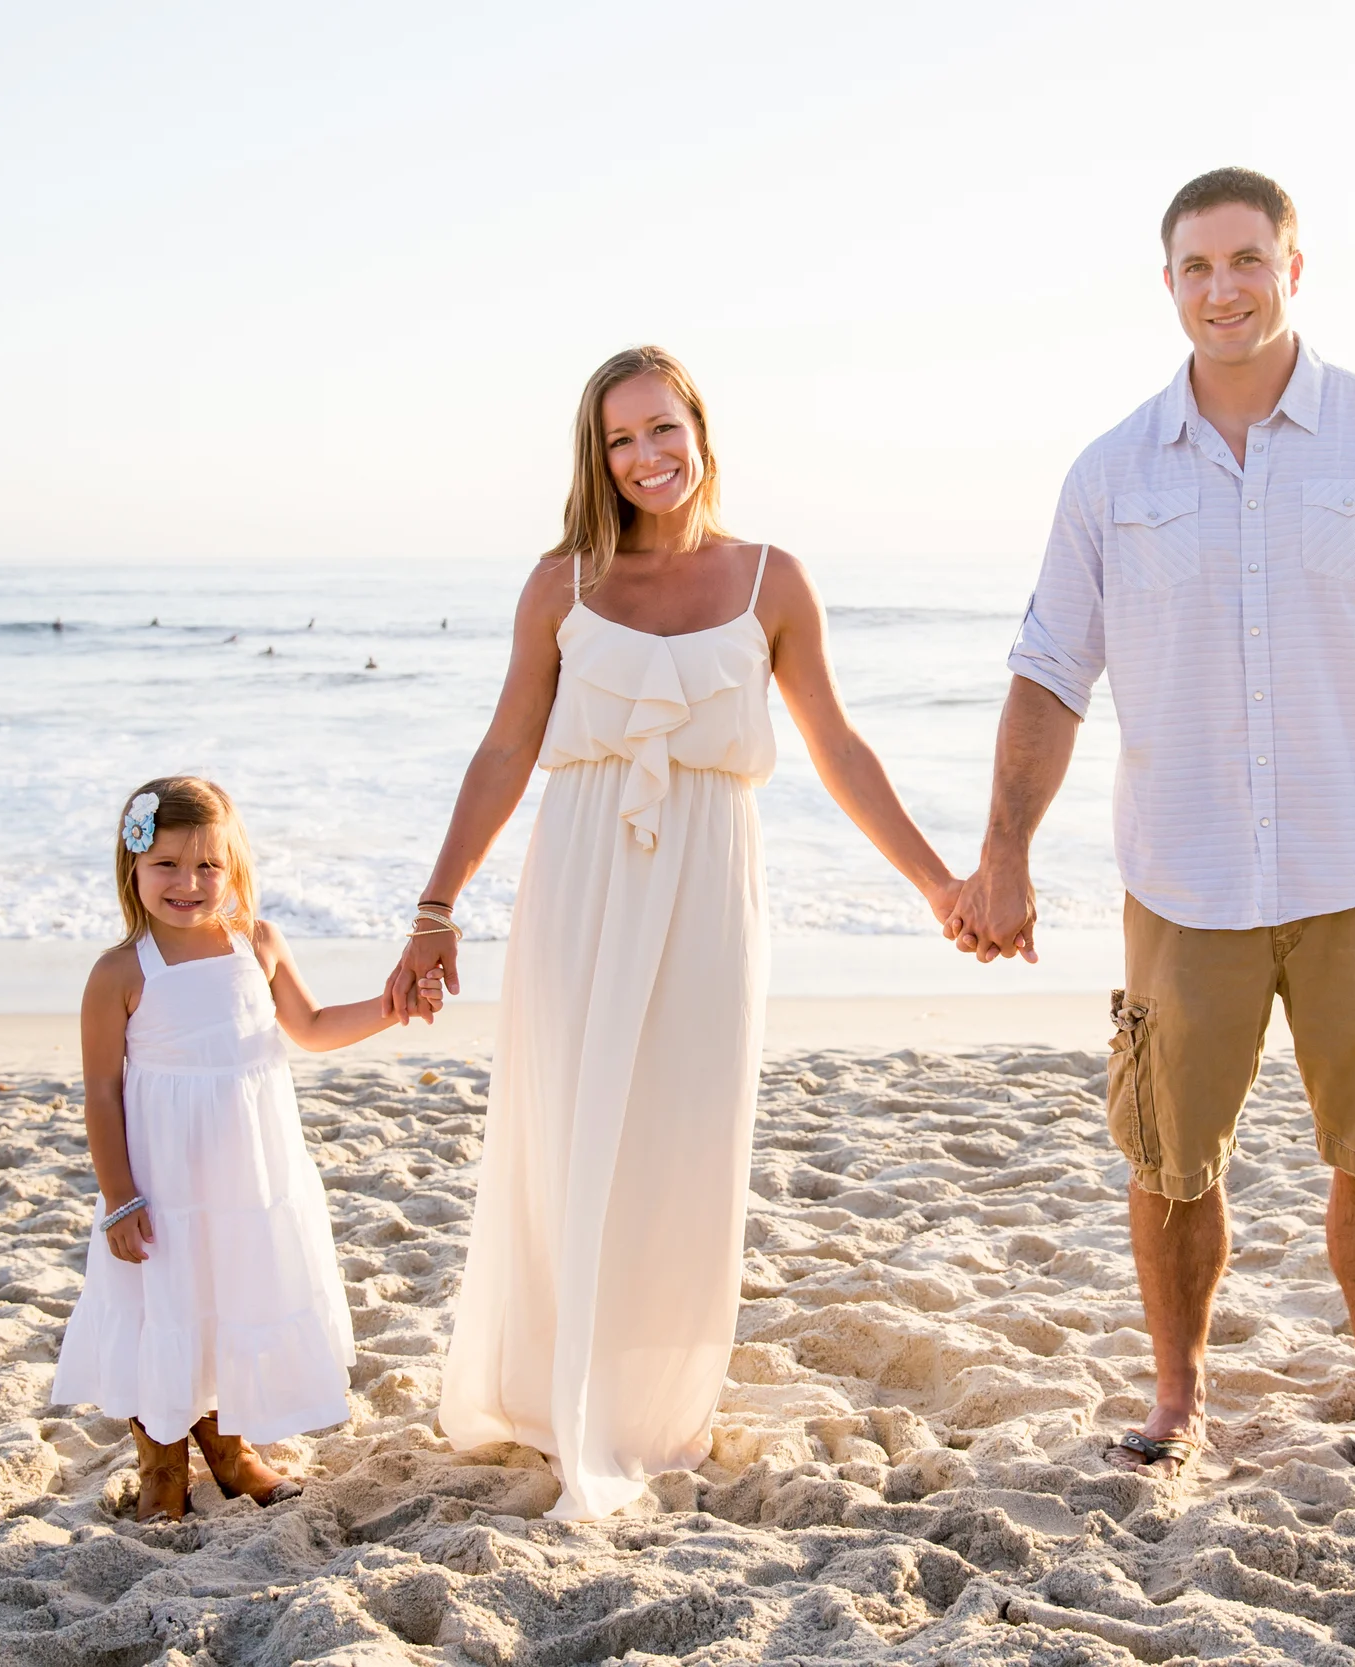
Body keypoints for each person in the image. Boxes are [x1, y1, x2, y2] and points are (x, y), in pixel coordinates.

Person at [946, 168, 1355, 1491]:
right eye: (1197, 267)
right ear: (1168, 285)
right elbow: (1050, 668)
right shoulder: (1111, 471)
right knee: (1167, 1155)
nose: (1224, 288)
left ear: (1294, 268)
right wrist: (1005, 850)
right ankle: (1177, 1398)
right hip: (1184, 871)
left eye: (1247, 260)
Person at [389, 346, 961, 1520]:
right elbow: (505, 749)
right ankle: (551, 1396)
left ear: (700, 429)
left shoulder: (773, 581)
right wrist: (436, 905)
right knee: (564, 1128)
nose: (645, 455)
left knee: (683, 1132)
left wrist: (937, 881)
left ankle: (648, 1409)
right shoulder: (562, 582)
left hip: (709, 878)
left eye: (662, 428)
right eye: (619, 439)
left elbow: (839, 750)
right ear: (595, 458)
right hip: (580, 874)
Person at [53, 776, 441, 1525]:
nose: (189, 883)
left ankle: (227, 1450)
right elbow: (102, 1092)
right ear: (132, 863)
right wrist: (118, 1196)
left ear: (234, 867)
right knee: (164, 1308)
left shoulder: (255, 943)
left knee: (230, 1302)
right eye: (167, 863)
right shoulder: (121, 972)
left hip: (247, 1178)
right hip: (163, 1186)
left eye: (208, 865)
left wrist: (395, 1007)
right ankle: (161, 1463)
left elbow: (317, 1024)